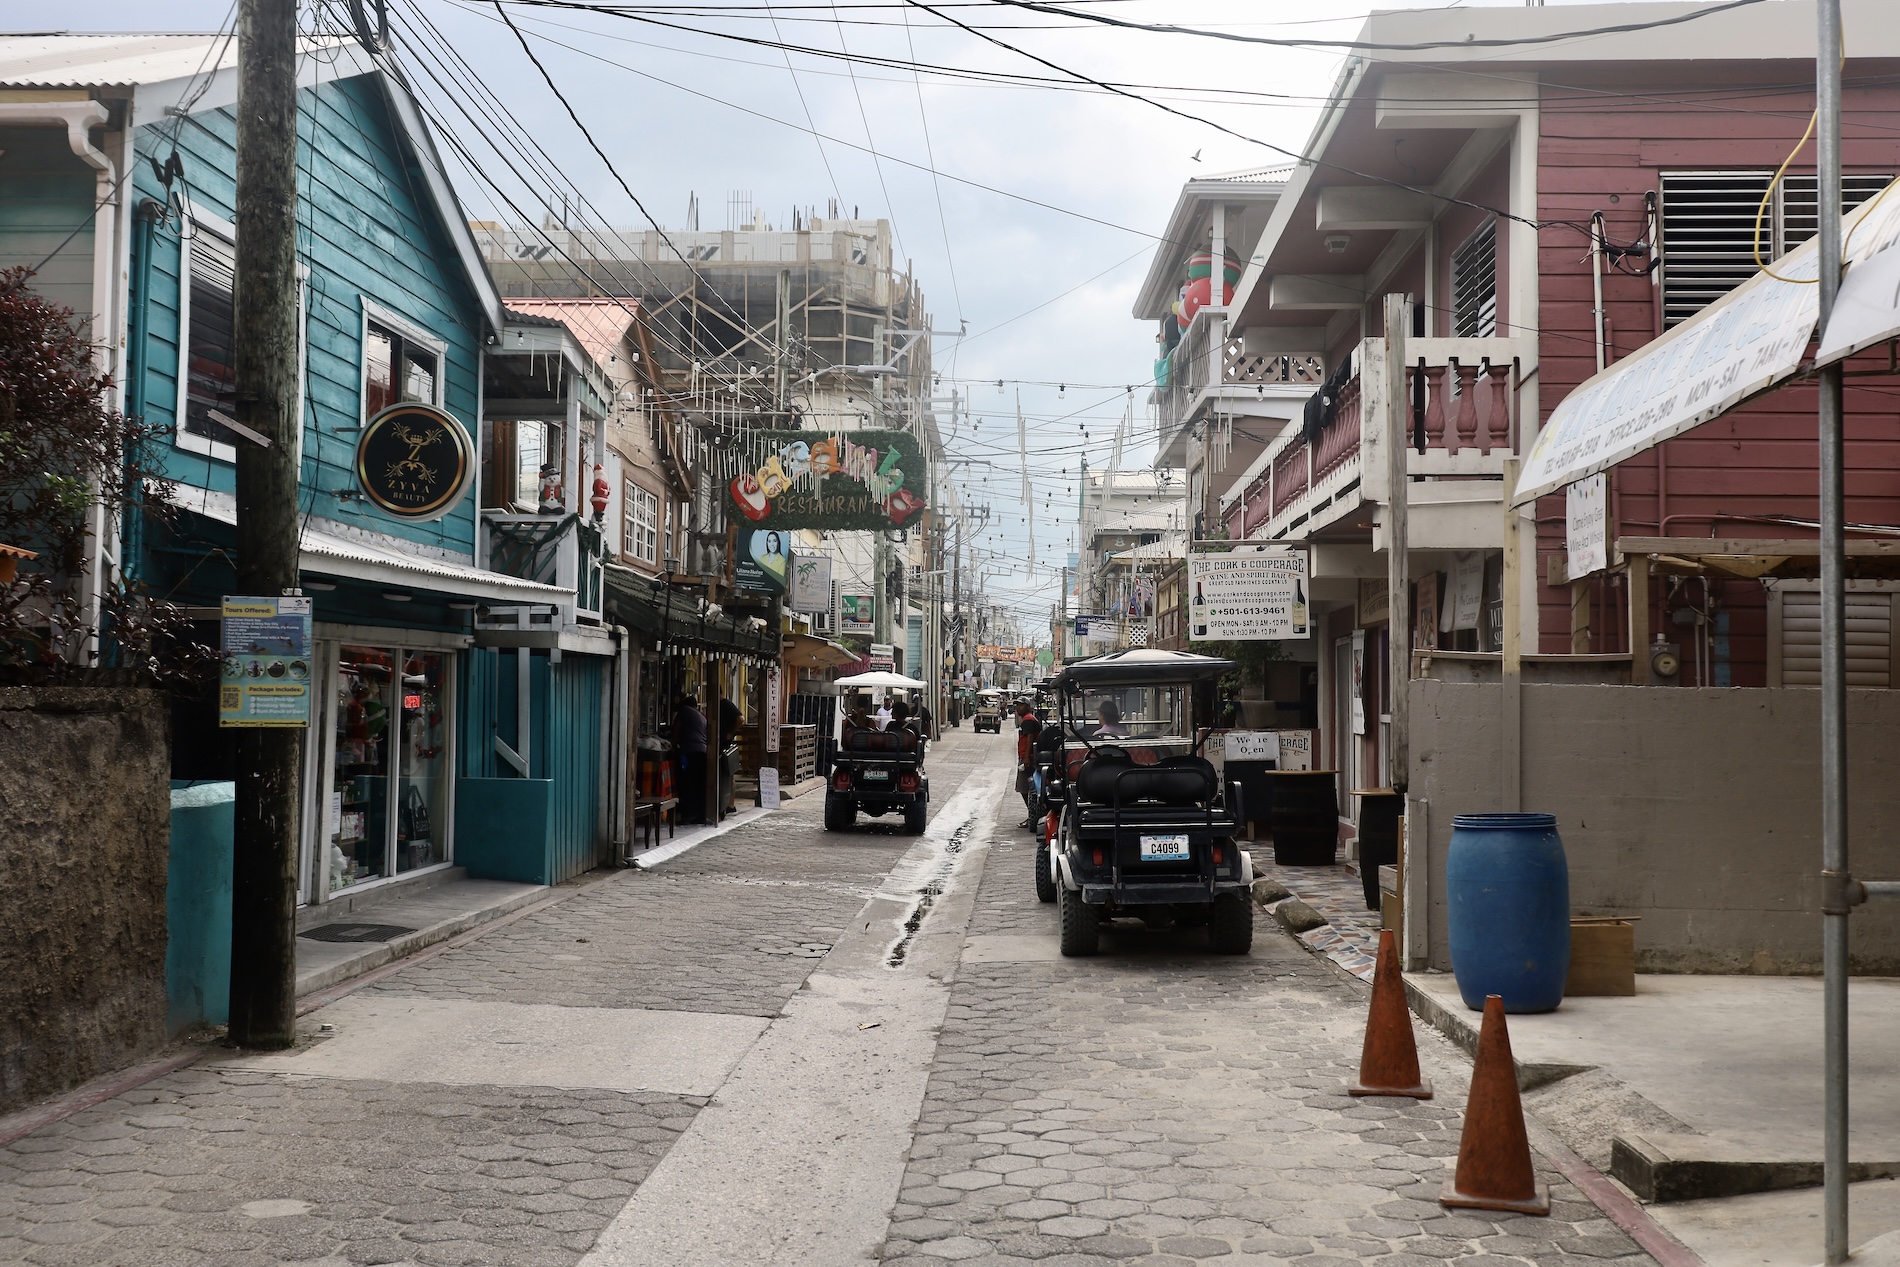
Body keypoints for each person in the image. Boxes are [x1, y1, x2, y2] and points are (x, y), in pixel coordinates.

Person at [673, 693, 709, 823]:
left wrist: (673, 744)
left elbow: (676, 730)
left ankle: (687, 814)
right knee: (699, 785)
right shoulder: (701, 716)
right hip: (702, 752)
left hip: (690, 752)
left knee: (687, 783)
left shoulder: (683, 711)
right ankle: (700, 814)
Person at [1015, 700, 1042, 829]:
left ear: (1028, 706)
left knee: (1024, 787)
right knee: (1025, 788)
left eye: (1021, 705)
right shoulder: (1027, 719)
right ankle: (1032, 814)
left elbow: (1030, 738)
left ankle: (1033, 815)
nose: (1018, 707)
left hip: (1028, 758)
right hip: (1027, 757)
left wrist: (1026, 757)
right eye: (1017, 705)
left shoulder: (1028, 719)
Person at [718, 697, 742, 816]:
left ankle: (730, 805)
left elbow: (740, 718)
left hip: (725, 744)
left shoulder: (726, 704)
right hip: (720, 743)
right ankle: (727, 804)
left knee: (729, 774)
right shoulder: (720, 705)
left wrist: (731, 733)